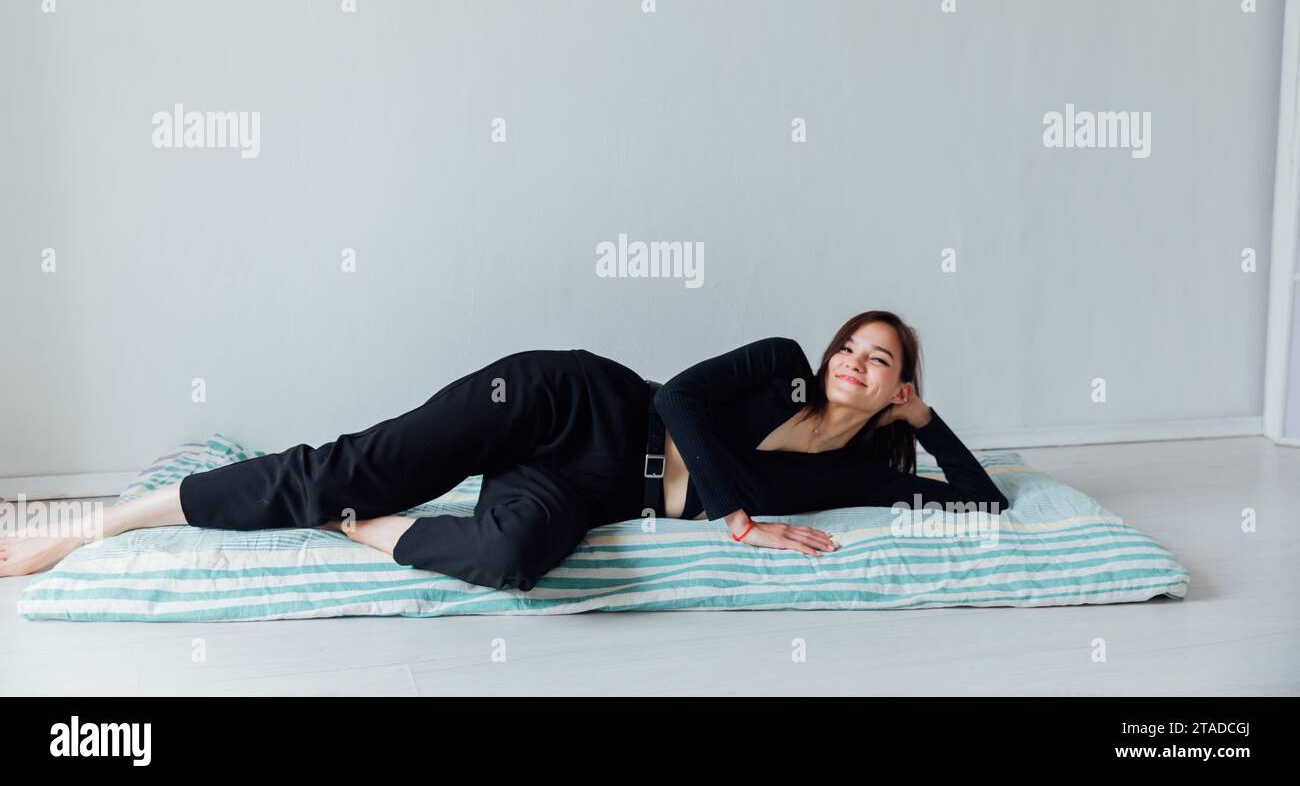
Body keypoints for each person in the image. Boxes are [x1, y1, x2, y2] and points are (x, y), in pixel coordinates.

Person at [0, 310, 1009, 590]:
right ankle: (91, 523)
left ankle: (363, 529)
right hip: (570, 404)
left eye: (881, 363)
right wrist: (739, 514)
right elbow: (679, 400)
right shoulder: (782, 363)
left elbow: (978, 504)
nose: (852, 361)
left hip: (593, 485)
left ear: (895, 387)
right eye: (852, 344)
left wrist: (929, 426)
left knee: (510, 559)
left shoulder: (868, 466)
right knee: (346, 463)